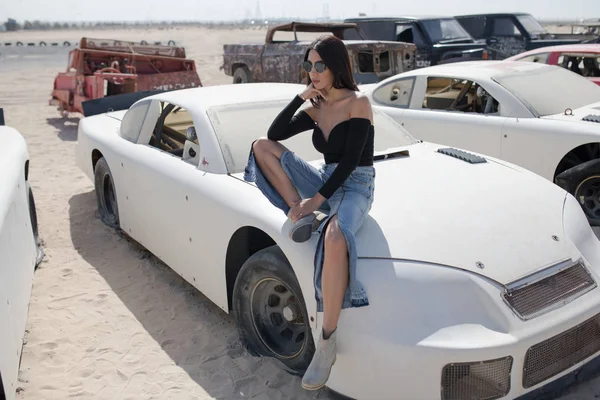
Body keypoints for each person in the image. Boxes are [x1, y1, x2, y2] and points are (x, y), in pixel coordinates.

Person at [243, 35, 376, 390]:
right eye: (308, 66)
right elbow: (275, 133)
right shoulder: (316, 106)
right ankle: (298, 214)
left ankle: (326, 343)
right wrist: (300, 98)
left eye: (320, 66)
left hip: (356, 185)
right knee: (262, 147)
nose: (313, 73)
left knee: (335, 237)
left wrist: (316, 201)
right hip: (325, 179)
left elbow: (350, 163)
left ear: (336, 67)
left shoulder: (358, 103)